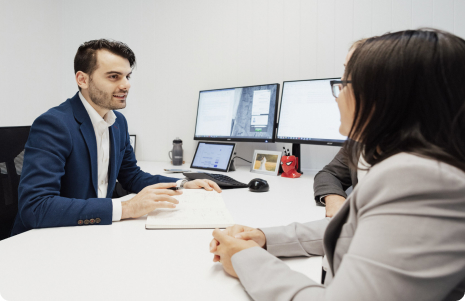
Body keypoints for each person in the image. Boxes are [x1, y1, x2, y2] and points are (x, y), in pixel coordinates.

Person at [209, 29, 465, 300]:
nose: (337, 94)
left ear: (387, 96)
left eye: (346, 82)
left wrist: (244, 259)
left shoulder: (420, 179)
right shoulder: (409, 164)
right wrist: (263, 237)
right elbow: (357, 229)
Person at [11, 39, 220, 236]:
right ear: (82, 79)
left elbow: (132, 176)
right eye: (114, 76)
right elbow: (35, 207)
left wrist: (182, 184)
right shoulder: (54, 124)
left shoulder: (117, 122)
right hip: (47, 239)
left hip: (93, 232)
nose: (126, 85)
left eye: (127, 76)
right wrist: (127, 207)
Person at [313, 38, 369, 218]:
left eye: (348, 72)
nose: (342, 82)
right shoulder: (358, 142)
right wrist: (335, 198)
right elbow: (329, 173)